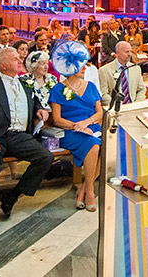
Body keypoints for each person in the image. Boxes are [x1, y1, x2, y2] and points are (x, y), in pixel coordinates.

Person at [0, 46, 54, 238]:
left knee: (45, 157)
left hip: (19, 136)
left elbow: (33, 103)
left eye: (19, 57)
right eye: (15, 58)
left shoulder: (26, 84)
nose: (20, 60)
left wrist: (40, 109)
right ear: (3, 65)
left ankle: (13, 195)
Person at [49, 57, 101, 210]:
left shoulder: (90, 86)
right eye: (80, 66)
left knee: (106, 146)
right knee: (94, 145)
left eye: (84, 65)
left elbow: (100, 112)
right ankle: (90, 191)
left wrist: (87, 122)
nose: (84, 68)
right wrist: (77, 126)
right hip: (70, 131)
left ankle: (84, 188)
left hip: (92, 127)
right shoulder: (58, 89)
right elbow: (57, 120)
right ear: (69, 69)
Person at [98, 40, 145, 107]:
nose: (130, 54)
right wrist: (115, 105)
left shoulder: (136, 68)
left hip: (134, 106)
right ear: (117, 52)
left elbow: (141, 89)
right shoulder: (104, 70)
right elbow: (103, 93)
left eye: (130, 51)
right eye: (126, 52)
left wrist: (137, 104)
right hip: (114, 108)